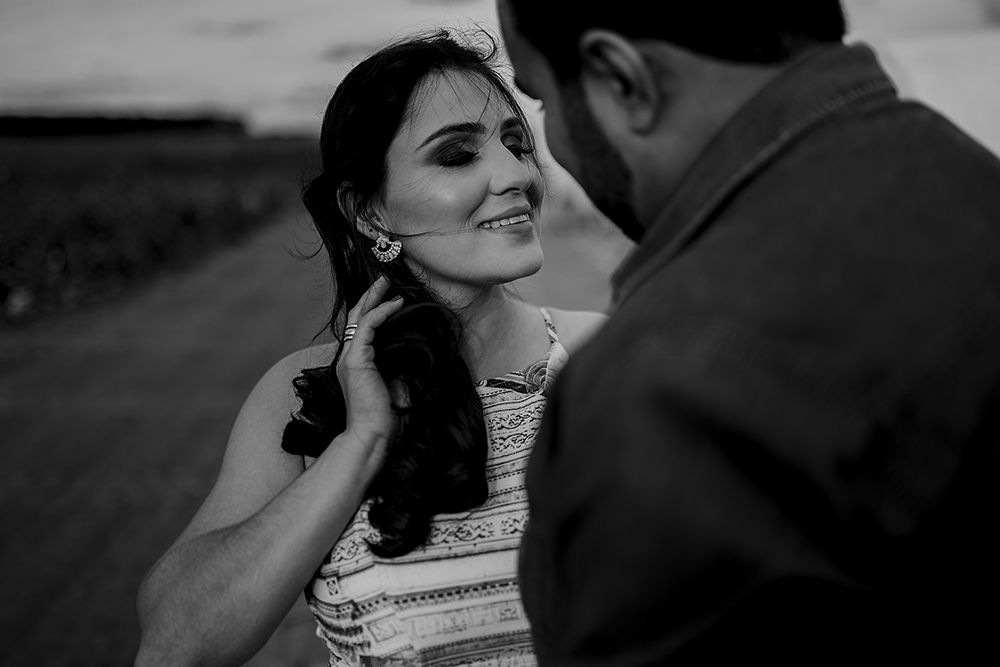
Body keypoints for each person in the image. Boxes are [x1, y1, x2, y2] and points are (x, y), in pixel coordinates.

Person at [498, 0, 1000, 663]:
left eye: (540, 102)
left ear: (623, 80)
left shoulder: (669, 380)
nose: (536, 163)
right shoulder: (970, 181)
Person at [135, 30, 606, 667]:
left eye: (517, 144)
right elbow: (174, 646)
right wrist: (359, 445)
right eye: (457, 156)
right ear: (368, 213)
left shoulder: (602, 358)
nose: (518, 174)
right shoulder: (306, 396)